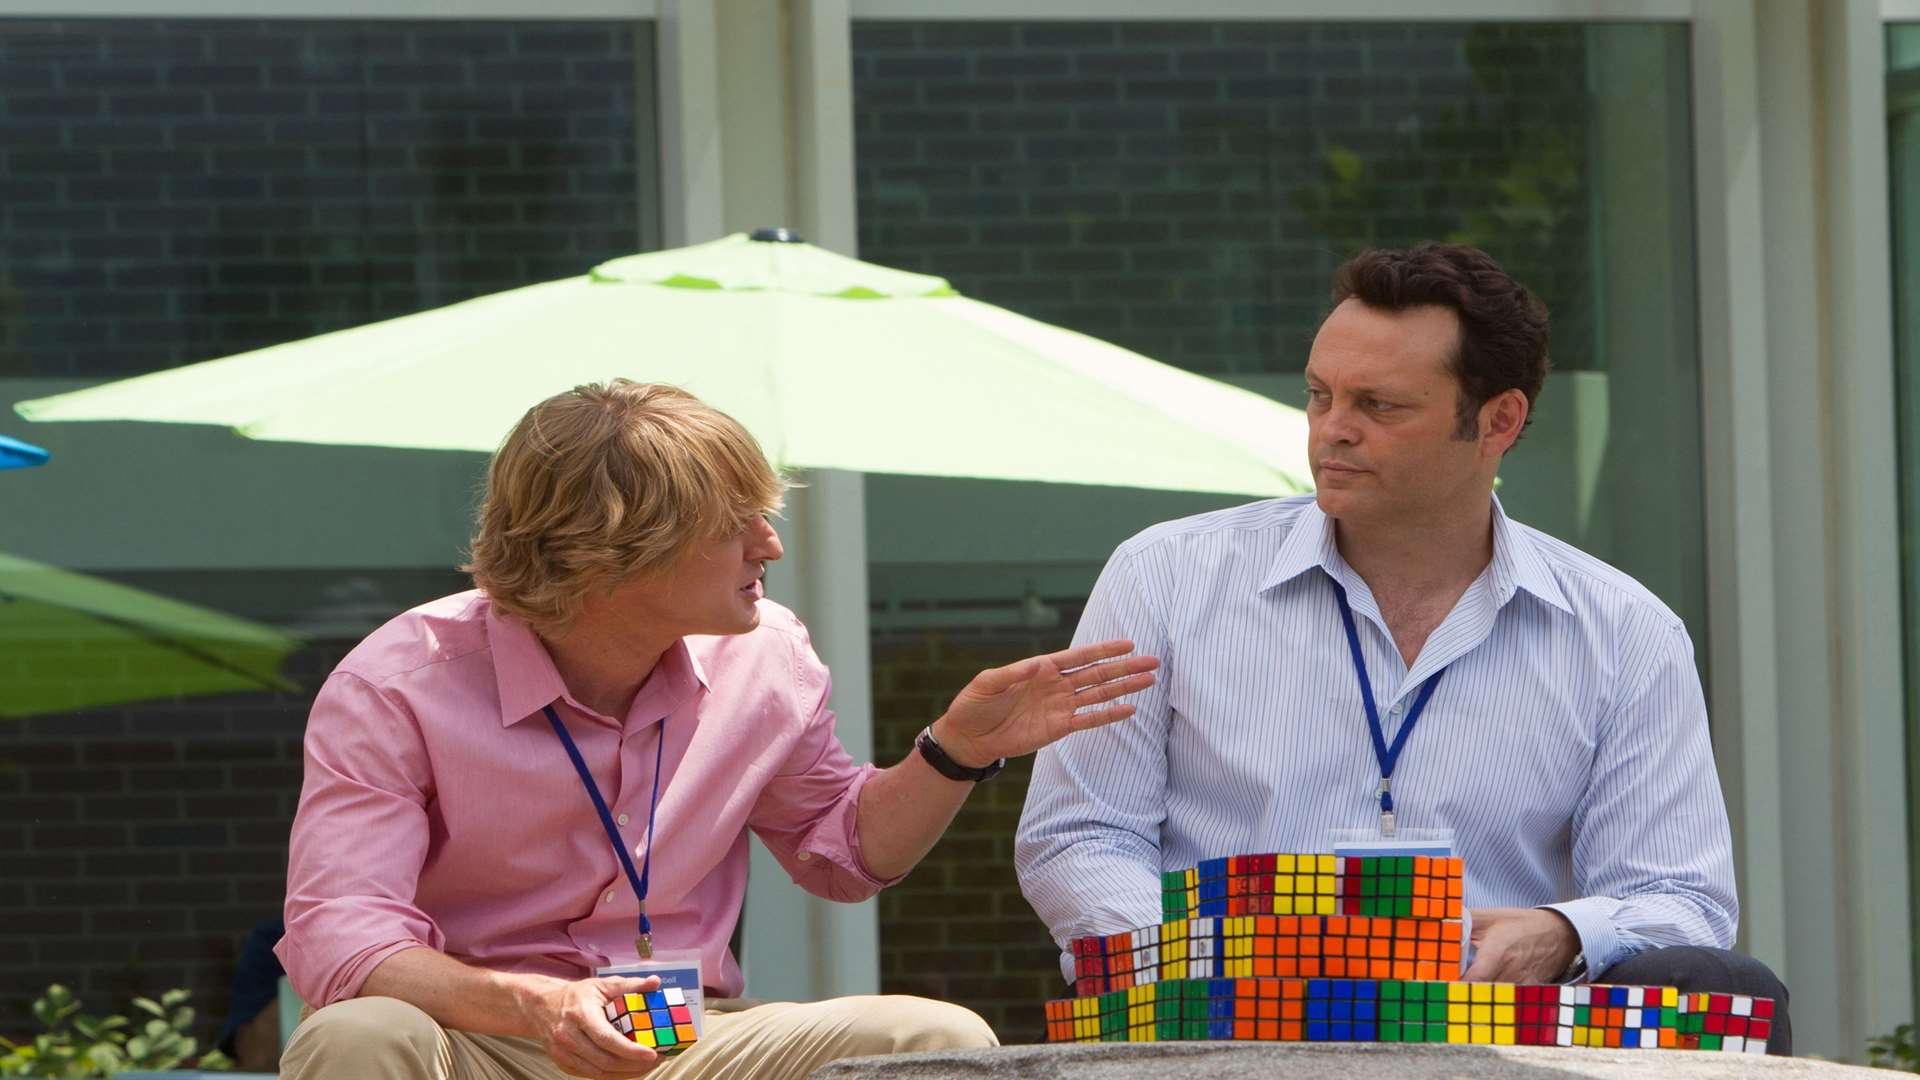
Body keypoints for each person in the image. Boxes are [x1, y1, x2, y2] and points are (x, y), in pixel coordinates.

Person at [1014, 243, 1792, 1053]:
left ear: (1499, 421)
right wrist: (1213, 972)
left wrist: (1559, 932)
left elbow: (1682, 899)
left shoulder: (1625, 631)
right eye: (1319, 396)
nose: (1331, 432)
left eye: (1378, 406)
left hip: (1495, 1044)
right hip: (1220, 1037)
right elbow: (1080, 836)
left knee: (1731, 991)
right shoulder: (1167, 576)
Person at [276, 380, 1157, 1080]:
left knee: (937, 1036)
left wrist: (956, 751)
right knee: (359, 1037)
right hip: (478, 1039)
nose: (769, 545)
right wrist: (537, 1009)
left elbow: (840, 854)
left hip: (687, 1043)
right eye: (734, 525)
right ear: (618, 546)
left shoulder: (765, 655)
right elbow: (343, 942)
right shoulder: (398, 685)